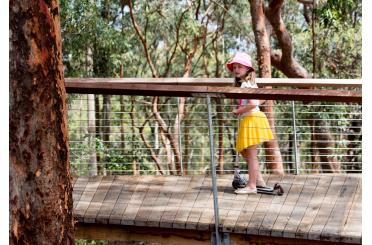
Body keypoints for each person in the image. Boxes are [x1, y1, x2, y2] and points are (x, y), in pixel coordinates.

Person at [226, 52, 275, 194]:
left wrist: (239, 110)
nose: (236, 69)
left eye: (240, 67)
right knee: (243, 150)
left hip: (252, 119)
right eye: (234, 67)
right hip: (251, 119)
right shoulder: (248, 83)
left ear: (248, 69)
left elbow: (253, 103)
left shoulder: (246, 84)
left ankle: (252, 185)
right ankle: (258, 179)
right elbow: (260, 100)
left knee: (251, 154)